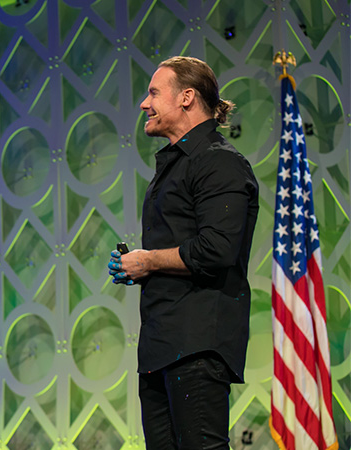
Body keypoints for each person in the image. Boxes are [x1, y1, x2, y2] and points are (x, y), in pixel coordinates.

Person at [107, 56, 258, 448]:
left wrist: (149, 260)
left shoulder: (219, 162)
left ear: (187, 97)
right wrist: (141, 268)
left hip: (197, 345)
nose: (144, 103)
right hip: (161, 345)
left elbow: (217, 249)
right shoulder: (175, 165)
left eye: (154, 92)